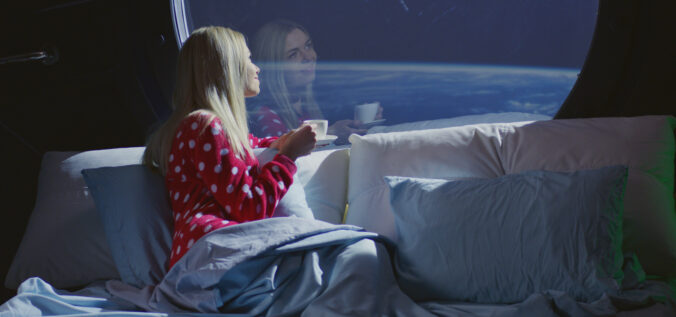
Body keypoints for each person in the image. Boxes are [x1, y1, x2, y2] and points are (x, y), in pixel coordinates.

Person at [142, 26, 316, 269]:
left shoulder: (210, 128)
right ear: (227, 69)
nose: (257, 68)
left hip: (213, 248)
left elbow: (249, 148)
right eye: (248, 59)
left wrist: (280, 143)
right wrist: (287, 157)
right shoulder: (205, 126)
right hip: (213, 251)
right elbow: (249, 208)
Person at [249, 19, 379, 144]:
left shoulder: (310, 106)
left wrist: (358, 125)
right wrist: (329, 134)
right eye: (293, 54)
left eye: (308, 46)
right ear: (274, 68)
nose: (308, 57)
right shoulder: (265, 115)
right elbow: (283, 157)